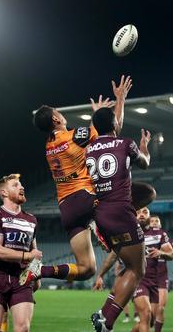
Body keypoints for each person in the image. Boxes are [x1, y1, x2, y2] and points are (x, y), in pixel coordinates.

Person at [24, 76, 134, 285]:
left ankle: (39, 271)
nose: (61, 114)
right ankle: (101, 227)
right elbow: (113, 130)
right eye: (58, 112)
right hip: (86, 197)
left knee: (86, 269)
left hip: (67, 209)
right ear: (56, 120)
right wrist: (119, 100)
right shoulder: (73, 136)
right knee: (128, 193)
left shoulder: (49, 145)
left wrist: (95, 118)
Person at [85, 107, 152, 332]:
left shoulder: (88, 148)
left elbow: (110, 135)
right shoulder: (126, 143)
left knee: (128, 267)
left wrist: (120, 100)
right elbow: (145, 163)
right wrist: (144, 147)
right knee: (137, 269)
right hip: (121, 212)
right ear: (115, 125)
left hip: (100, 215)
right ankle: (106, 318)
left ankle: (106, 316)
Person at [0, 174, 41, 332]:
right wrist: (27, 256)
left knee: (23, 328)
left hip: (21, 280)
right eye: (15, 185)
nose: (21, 187)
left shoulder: (31, 220)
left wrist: (36, 275)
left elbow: (34, 251)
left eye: (21, 184)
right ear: (4, 193)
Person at [131, 207, 173, 332]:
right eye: (138, 212)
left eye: (145, 212)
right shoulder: (130, 232)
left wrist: (160, 252)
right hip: (138, 280)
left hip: (155, 282)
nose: (141, 215)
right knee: (145, 313)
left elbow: (172, 255)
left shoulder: (159, 234)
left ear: (149, 216)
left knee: (149, 321)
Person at [149, 216, 173, 332]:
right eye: (152, 221)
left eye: (156, 221)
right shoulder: (143, 236)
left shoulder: (167, 240)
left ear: (160, 224)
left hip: (161, 277)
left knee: (161, 308)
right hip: (147, 277)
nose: (154, 223)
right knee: (149, 313)